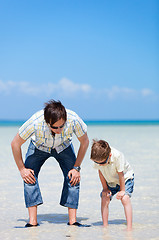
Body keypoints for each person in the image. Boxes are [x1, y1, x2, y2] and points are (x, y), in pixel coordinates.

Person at [11, 100, 89, 227]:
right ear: (47, 122)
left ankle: (73, 221)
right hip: (39, 147)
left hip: (64, 147)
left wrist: (76, 167)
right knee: (29, 177)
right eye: (54, 127)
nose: (59, 130)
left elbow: (85, 142)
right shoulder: (35, 122)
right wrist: (21, 169)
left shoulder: (74, 119)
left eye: (62, 126)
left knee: (73, 177)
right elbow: (15, 144)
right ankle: (32, 222)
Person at [90, 140, 134, 231]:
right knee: (104, 197)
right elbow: (100, 172)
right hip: (111, 180)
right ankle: (105, 225)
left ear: (109, 156)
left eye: (102, 163)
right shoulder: (98, 158)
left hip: (125, 178)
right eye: (97, 163)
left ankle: (129, 227)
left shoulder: (117, 156)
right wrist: (105, 188)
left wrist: (122, 190)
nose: (99, 165)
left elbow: (120, 173)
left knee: (125, 198)